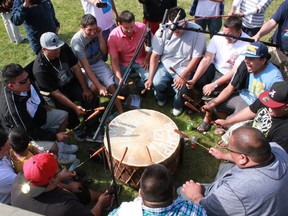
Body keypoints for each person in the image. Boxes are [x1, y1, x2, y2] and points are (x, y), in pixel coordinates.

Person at [180, 126, 288, 216]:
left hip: (234, 200)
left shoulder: (236, 190)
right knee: (225, 166)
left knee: (182, 190)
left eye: (229, 149)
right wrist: (223, 155)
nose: (228, 151)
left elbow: (205, 210)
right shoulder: (276, 148)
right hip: (269, 199)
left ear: (242, 158)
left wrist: (195, 195)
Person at [0, 63, 77, 164]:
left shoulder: (23, 83)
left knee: (64, 115)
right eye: (24, 81)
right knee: (52, 146)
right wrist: (54, 136)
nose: (28, 82)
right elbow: (29, 132)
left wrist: (43, 103)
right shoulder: (12, 109)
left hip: (35, 117)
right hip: (25, 136)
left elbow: (34, 88)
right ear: (11, 86)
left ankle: (60, 146)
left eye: (27, 77)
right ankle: (57, 156)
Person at [198, 42, 284, 133]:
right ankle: (214, 122)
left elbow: (274, 104)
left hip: (254, 105)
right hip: (242, 95)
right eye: (246, 57)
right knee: (212, 104)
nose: (247, 61)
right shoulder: (244, 65)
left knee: (231, 123)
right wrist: (211, 105)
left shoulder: (275, 77)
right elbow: (229, 88)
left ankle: (227, 125)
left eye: (251, 59)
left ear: (263, 60)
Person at [144, 7, 206, 116]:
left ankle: (178, 105)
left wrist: (183, 75)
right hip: (166, 64)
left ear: (186, 22)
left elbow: (196, 57)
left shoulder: (197, 30)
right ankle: (162, 97)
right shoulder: (162, 31)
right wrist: (150, 78)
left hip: (185, 67)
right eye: (174, 28)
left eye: (179, 28)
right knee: (157, 82)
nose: (176, 31)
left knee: (182, 89)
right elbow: (155, 56)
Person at [33, 32, 98, 135]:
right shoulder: (40, 70)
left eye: (58, 47)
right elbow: (56, 93)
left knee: (88, 96)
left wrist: (85, 89)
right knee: (69, 113)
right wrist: (75, 107)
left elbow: (76, 67)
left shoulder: (63, 48)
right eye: (53, 49)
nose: (57, 51)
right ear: (44, 49)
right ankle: (77, 129)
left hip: (71, 82)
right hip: (57, 93)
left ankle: (93, 125)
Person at [11, 153, 112, 215]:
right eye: (58, 169)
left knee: (78, 190)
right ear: (51, 180)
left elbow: (44, 184)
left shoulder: (18, 180)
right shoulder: (65, 207)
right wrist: (100, 203)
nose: (60, 169)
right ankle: (106, 200)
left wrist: (66, 184)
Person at [187, 16, 250, 103]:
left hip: (228, 75)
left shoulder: (247, 45)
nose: (225, 37)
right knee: (198, 81)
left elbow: (235, 71)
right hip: (214, 67)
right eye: (224, 34)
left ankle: (210, 106)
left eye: (229, 35)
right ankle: (197, 99)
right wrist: (194, 79)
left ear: (239, 31)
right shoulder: (218, 37)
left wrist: (214, 84)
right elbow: (207, 59)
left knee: (215, 94)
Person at [71, 14, 123, 116]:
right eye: (89, 30)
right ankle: (95, 105)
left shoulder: (97, 32)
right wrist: (99, 87)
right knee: (94, 88)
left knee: (112, 86)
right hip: (83, 66)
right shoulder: (77, 42)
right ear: (82, 28)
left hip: (97, 62)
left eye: (94, 29)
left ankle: (121, 112)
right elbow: (86, 67)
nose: (92, 32)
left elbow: (104, 52)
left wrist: (99, 36)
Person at [215, 81, 288, 152]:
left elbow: (275, 156)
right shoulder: (268, 99)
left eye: (274, 106)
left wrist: (227, 156)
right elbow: (251, 110)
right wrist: (227, 122)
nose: (269, 108)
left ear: (286, 107)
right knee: (236, 127)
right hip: (254, 129)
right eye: (269, 103)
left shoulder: (285, 131)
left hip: (262, 150)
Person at [109, 164, 207, 216]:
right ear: (173, 191)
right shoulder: (195, 212)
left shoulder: (123, 212)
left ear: (140, 193)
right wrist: (196, 196)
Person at [108, 10, 151, 95]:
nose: (130, 30)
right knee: (118, 84)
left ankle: (140, 85)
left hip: (141, 60)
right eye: (126, 28)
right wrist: (119, 78)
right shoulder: (113, 36)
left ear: (134, 21)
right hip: (123, 64)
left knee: (150, 77)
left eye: (132, 26)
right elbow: (114, 60)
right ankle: (126, 94)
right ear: (119, 24)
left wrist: (147, 58)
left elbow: (151, 45)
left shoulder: (143, 28)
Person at [252, 0, 288, 74]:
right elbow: (272, 22)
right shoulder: (287, 4)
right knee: (265, 74)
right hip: (277, 51)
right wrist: (258, 34)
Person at [0, 128, 16, 204]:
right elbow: (33, 185)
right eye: (8, 147)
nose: (11, 148)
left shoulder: (3, 154)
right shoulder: (3, 175)